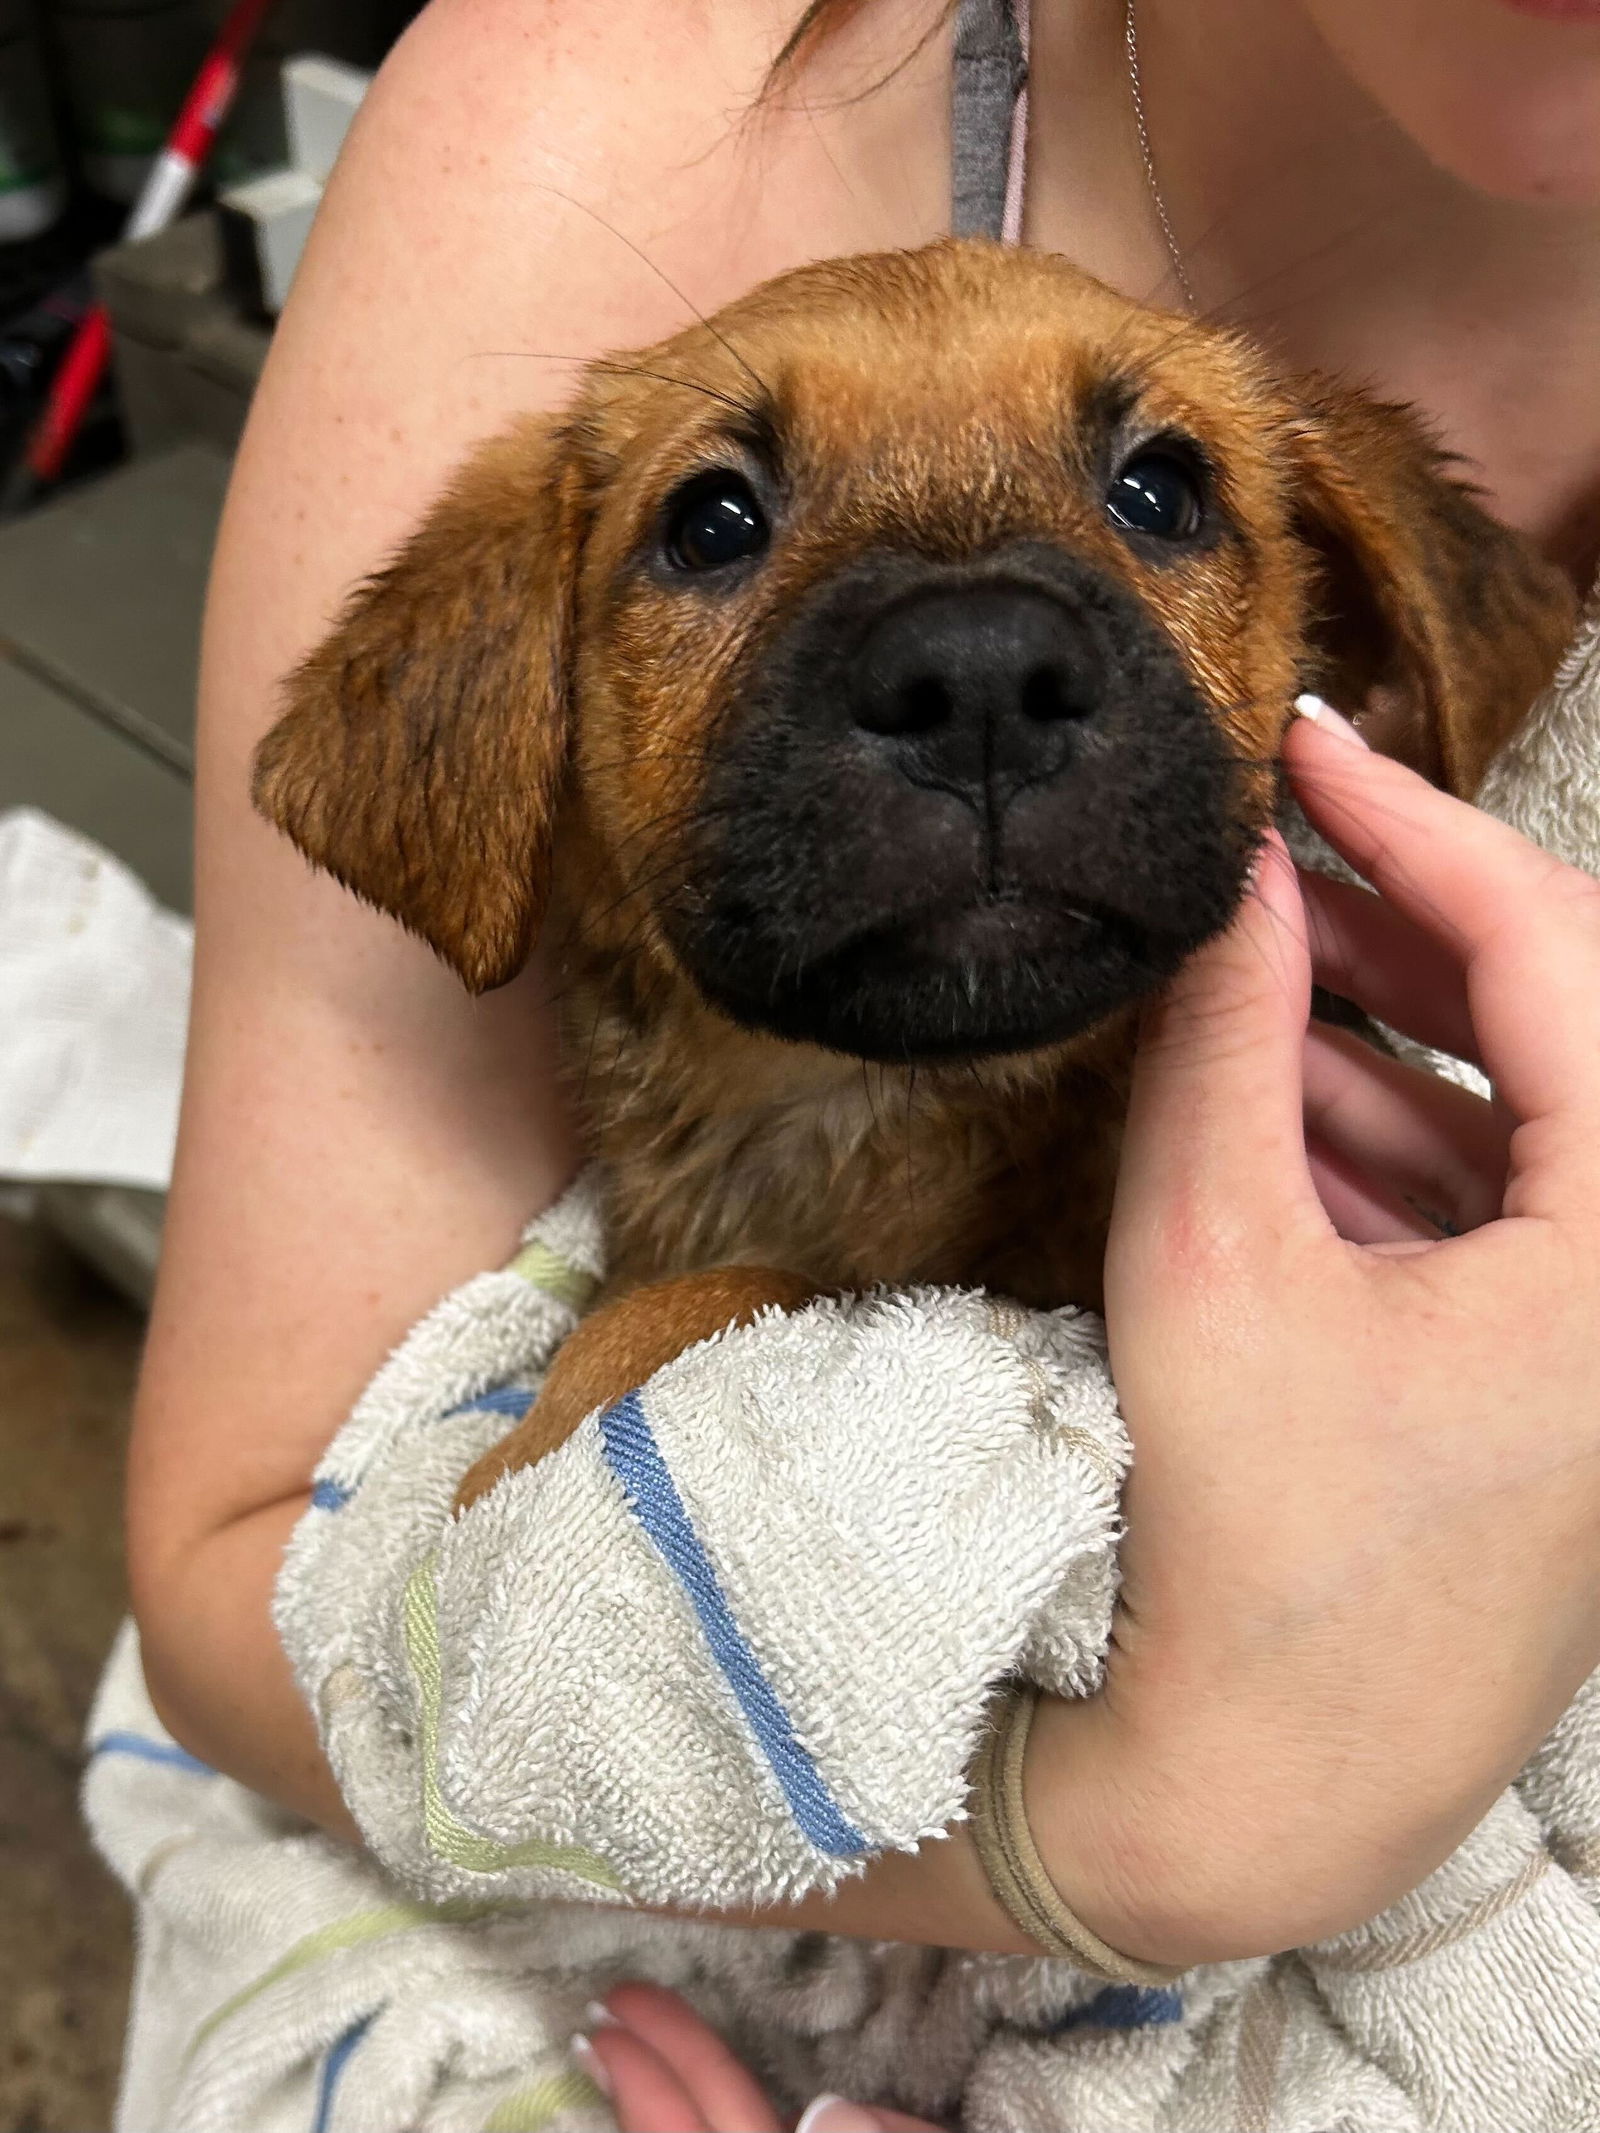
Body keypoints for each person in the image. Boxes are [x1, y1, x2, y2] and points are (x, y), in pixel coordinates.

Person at [124, 0, 1600, 2122]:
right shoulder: (599, 113)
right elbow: (284, 1585)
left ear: (1353, 621)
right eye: (717, 526)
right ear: (499, 726)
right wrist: (1125, 1817)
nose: (975, 649)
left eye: (1153, 489)